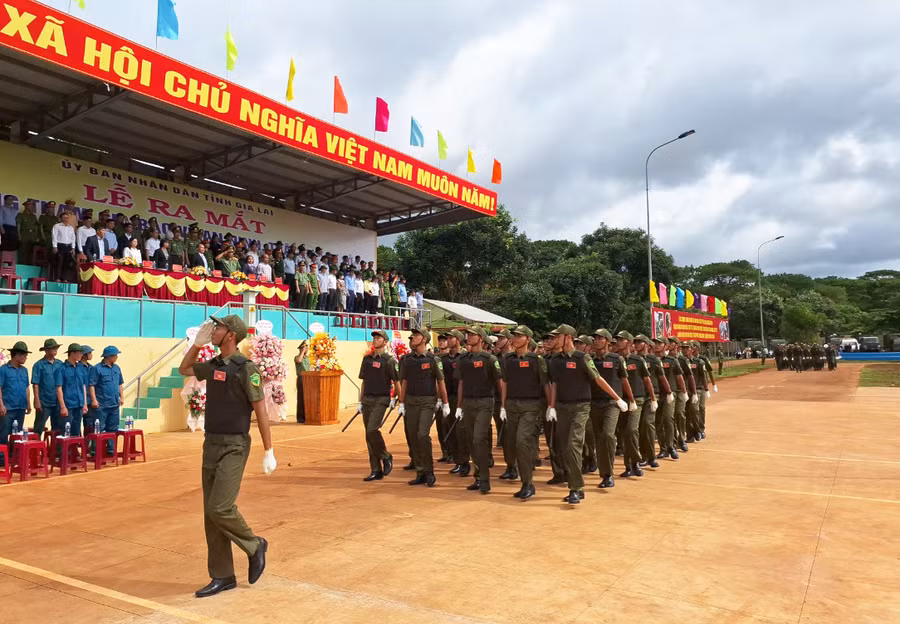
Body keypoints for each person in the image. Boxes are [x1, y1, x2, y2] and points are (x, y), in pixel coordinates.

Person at [178, 316, 274, 598]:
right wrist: (197, 345)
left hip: (234, 444)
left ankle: (255, 544)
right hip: (212, 443)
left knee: (220, 507)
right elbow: (185, 368)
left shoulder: (247, 368)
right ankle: (223, 575)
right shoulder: (216, 365)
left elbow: (261, 411)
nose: (213, 331)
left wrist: (269, 450)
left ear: (230, 334)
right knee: (211, 514)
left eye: (218, 328)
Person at [547, 324, 627, 504]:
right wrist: (551, 406)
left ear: (567, 337)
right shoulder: (555, 361)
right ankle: (577, 486)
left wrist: (617, 398)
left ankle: (576, 487)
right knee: (565, 447)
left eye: (557, 336)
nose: (554, 340)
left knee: (573, 445)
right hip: (562, 408)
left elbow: (598, 378)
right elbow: (555, 384)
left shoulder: (582, 358)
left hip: (580, 407)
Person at [500, 325, 550, 500]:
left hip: (531, 406)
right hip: (512, 405)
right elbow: (504, 382)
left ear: (528, 339)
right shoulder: (508, 359)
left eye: (519, 336)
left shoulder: (537, 360)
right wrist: (503, 406)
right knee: (514, 444)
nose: (515, 338)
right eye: (514, 335)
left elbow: (546, 384)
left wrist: (550, 406)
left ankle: (528, 483)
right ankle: (525, 481)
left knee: (523, 442)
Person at [455, 326, 503, 494]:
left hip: (485, 402)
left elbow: (500, 382)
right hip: (468, 403)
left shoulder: (489, 359)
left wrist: (503, 405)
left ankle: (484, 478)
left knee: (478, 439)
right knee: (471, 440)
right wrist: (459, 406)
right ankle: (478, 476)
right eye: (468, 334)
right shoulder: (463, 359)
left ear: (481, 339)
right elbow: (460, 383)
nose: (469, 337)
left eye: (473, 335)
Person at [398, 328, 448, 487]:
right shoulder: (407, 360)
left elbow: (440, 381)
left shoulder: (434, 360)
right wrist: (401, 402)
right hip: (411, 401)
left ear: (424, 340)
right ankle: (420, 471)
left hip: (427, 401)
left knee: (422, 434)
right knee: (413, 435)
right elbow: (404, 382)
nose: (412, 338)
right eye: (412, 336)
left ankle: (429, 471)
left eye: (416, 336)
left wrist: (444, 402)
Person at [358, 330, 400, 481]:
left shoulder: (389, 361)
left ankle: (386, 456)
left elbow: (397, 382)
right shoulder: (367, 360)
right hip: (368, 399)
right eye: (374, 338)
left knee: (372, 429)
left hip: (382, 399)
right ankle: (376, 469)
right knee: (369, 436)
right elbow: (363, 381)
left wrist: (397, 399)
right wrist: (360, 401)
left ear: (385, 341)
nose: (375, 340)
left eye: (378, 338)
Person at [590, 329, 629, 488]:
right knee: (599, 438)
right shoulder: (589, 360)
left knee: (607, 435)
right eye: (595, 338)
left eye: (599, 338)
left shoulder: (617, 359)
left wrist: (629, 400)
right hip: (594, 403)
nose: (596, 341)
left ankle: (608, 474)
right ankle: (604, 472)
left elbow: (624, 380)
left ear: (607, 341)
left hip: (612, 404)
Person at [88, 346, 124, 456]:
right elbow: (91, 385)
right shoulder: (97, 369)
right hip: (101, 405)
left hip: (114, 404)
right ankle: (95, 452)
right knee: (99, 429)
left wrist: (122, 396)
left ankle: (111, 451)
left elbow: (120, 384)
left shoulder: (117, 368)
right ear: (109, 356)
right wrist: (94, 400)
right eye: (115, 355)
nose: (117, 357)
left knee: (113, 428)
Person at [633, 335, 663, 469]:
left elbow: (661, 377)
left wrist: (660, 396)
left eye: (639, 342)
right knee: (639, 427)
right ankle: (644, 455)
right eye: (635, 342)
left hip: (652, 395)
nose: (636, 344)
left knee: (647, 424)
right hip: (638, 395)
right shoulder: (633, 359)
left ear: (646, 344)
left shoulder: (654, 360)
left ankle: (651, 456)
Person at [0, 342, 31, 455]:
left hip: (21, 407)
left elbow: (27, 388)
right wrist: (1, 405)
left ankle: (14, 457)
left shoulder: (24, 370)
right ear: (16, 355)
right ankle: (2, 458)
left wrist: (28, 403)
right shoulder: (3, 370)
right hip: (8, 408)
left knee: (17, 434)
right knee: (3, 434)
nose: (25, 358)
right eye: (24, 355)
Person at [32, 338, 63, 433]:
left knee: (58, 429)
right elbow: (35, 384)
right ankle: (35, 446)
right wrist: (37, 400)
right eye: (52, 348)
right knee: (39, 427)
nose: (55, 350)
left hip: (57, 402)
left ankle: (57, 448)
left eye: (56, 348)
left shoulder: (60, 364)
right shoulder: (38, 365)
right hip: (44, 402)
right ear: (45, 350)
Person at [55, 343, 87, 436]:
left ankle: (74, 449)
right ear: (72, 353)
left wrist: (84, 404)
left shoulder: (80, 368)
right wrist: (62, 407)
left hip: (79, 405)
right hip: (68, 405)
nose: (82, 355)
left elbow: (83, 386)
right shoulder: (61, 369)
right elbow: (59, 388)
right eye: (80, 352)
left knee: (76, 431)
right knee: (66, 431)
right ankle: (65, 451)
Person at [50, 211, 76, 282]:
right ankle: (57, 277)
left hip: (68, 246)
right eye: (64, 217)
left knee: (66, 263)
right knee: (59, 262)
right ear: (60, 218)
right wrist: (54, 246)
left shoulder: (70, 227)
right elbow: (54, 236)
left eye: (67, 218)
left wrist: (73, 248)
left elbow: (73, 238)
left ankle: (64, 278)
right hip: (60, 245)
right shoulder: (57, 226)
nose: (66, 219)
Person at [16, 199, 41, 264]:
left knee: (31, 253)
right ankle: (21, 267)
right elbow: (18, 225)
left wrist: (37, 237)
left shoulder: (33, 216)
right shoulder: (21, 215)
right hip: (24, 236)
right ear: (26, 206)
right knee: (22, 252)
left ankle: (29, 268)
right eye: (30, 205)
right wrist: (19, 236)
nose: (32, 207)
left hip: (33, 237)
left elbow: (36, 227)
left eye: (32, 205)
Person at [294, 342, 309, 423]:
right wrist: (302, 352)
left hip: (309, 378)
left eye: (307, 348)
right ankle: (300, 418)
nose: (306, 349)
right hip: (301, 378)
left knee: (308, 398)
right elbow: (299, 360)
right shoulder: (297, 357)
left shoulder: (308, 358)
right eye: (304, 348)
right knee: (301, 398)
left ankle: (307, 416)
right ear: (300, 349)